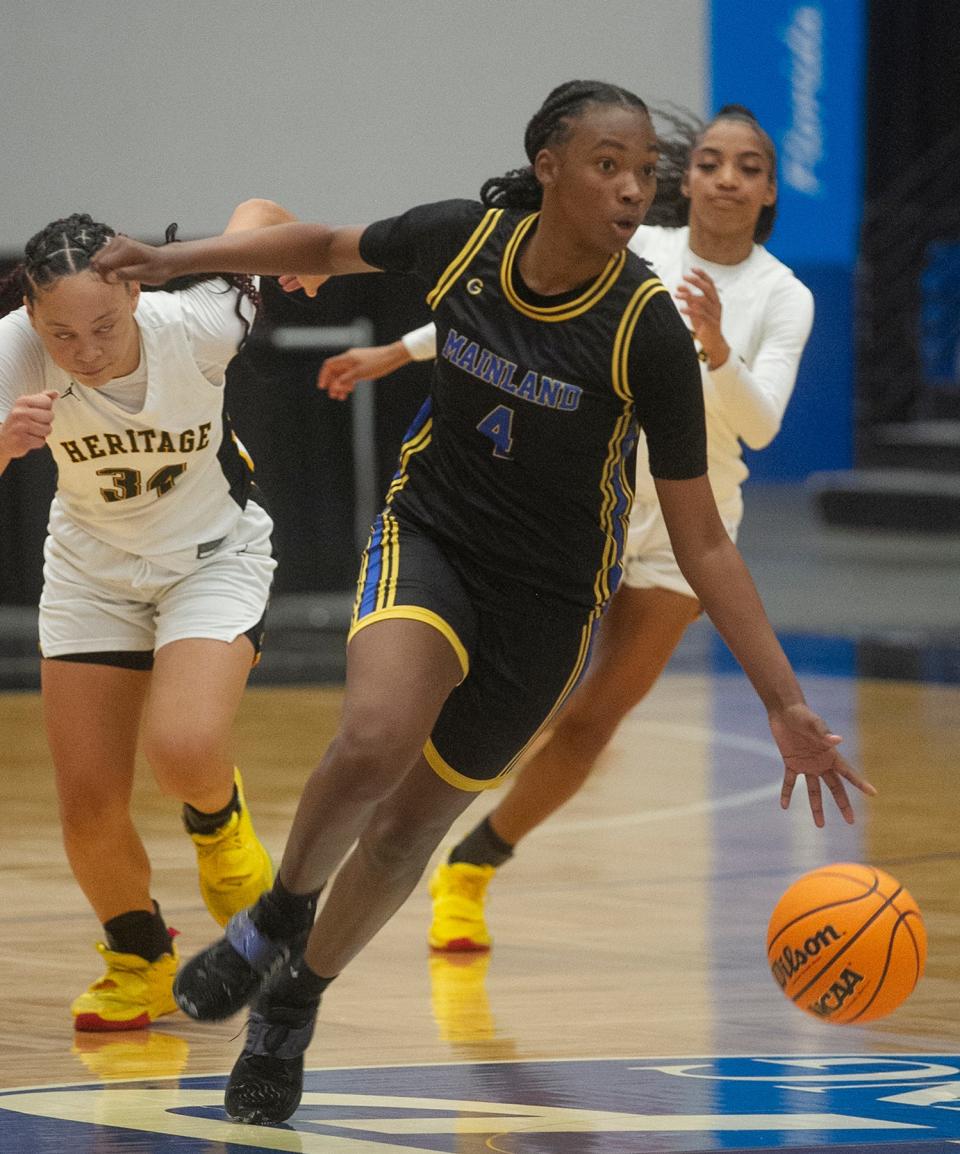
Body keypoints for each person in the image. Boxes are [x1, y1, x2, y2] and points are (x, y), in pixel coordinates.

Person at [92, 80, 872, 1126]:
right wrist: (165, 259)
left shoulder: (643, 329)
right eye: (609, 165)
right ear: (548, 165)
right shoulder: (466, 240)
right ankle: (276, 911)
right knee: (375, 733)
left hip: (546, 601)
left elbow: (703, 540)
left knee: (413, 823)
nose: (634, 189)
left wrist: (781, 698)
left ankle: (295, 1001)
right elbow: (322, 245)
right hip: (436, 534)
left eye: (644, 172)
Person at [315, 103, 816, 953]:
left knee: (594, 719)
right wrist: (395, 353)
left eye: (750, 168)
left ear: (768, 193)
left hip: (683, 527)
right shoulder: (637, 250)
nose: (728, 179)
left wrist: (719, 350)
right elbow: (505, 317)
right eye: (712, 163)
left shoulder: (783, 293)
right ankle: (392, 828)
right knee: (487, 699)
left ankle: (477, 859)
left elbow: (761, 426)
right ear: (684, 180)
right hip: (574, 504)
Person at [0, 201, 296, 1031]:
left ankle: (218, 819)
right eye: (63, 336)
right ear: (31, 316)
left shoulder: (197, 322)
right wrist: (3, 443)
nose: (85, 353)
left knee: (185, 751)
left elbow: (258, 216)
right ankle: (139, 956)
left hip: (211, 559)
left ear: (131, 294)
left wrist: (297, 247)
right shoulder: (14, 351)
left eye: (101, 326)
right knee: (87, 808)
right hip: (93, 575)